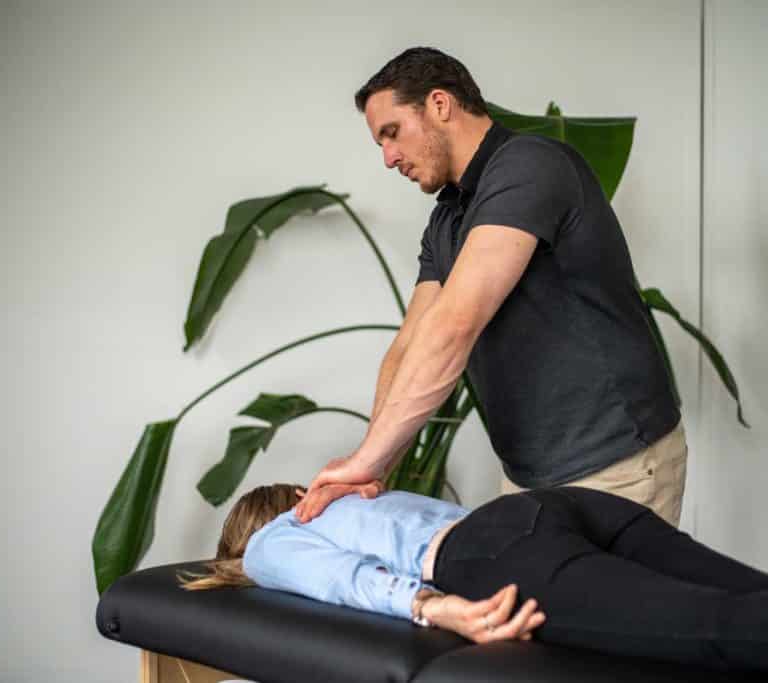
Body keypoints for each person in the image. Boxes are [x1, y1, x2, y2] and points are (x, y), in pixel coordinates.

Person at [294, 47, 687, 526]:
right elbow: (411, 343)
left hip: (617, 465)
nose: (389, 158)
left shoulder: (529, 165)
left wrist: (366, 462)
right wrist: (372, 468)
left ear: (440, 104)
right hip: (527, 476)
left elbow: (455, 325)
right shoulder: (447, 219)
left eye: (392, 133)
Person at [181, 482, 768, 681]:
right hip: (551, 506)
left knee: (721, 626)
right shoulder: (352, 500)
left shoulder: (272, 541)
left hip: (492, 555)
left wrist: (437, 606)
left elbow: (347, 580)